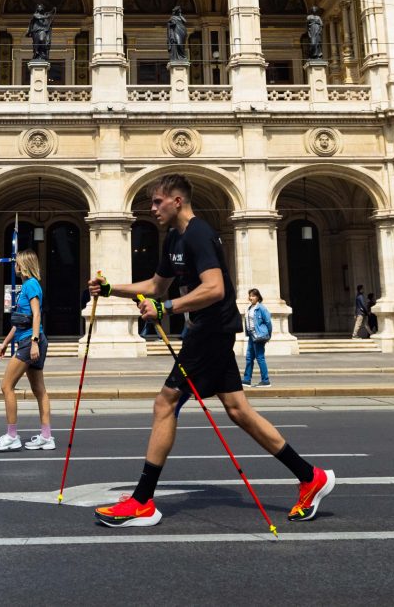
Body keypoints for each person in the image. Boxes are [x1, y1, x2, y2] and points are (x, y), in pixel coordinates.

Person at [90, 174, 332, 528]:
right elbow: (157, 285)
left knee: (165, 402)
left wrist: (167, 308)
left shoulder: (199, 234)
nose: (151, 208)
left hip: (211, 331)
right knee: (238, 409)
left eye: (157, 202)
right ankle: (311, 478)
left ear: (177, 201)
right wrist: (112, 289)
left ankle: (142, 502)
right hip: (207, 331)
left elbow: (215, 288)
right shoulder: (174, 237)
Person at [0, 249, 51, 450]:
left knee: (6, 386)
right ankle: (46, 436)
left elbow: (36, 315)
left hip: (29, 341)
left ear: (24, 264)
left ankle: (12, 436)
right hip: (28, 339)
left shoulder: (31, 284)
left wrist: (33, 342)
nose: (14, 265)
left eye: (17, 262)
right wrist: (6, 342)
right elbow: (20, 320)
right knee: (39, 389)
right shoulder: (27, 286)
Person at [242, 288, 272, 388]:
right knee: (249, 358)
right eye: (250, 295)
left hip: (259, 336)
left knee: (260, 358)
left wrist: (268, 335)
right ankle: (247, 380)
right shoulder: (250, 308)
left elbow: (268, 322)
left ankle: (265, 380)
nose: (251, 298)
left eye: (253, 296)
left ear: (258, 297)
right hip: (251, 336)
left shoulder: (261, 308)